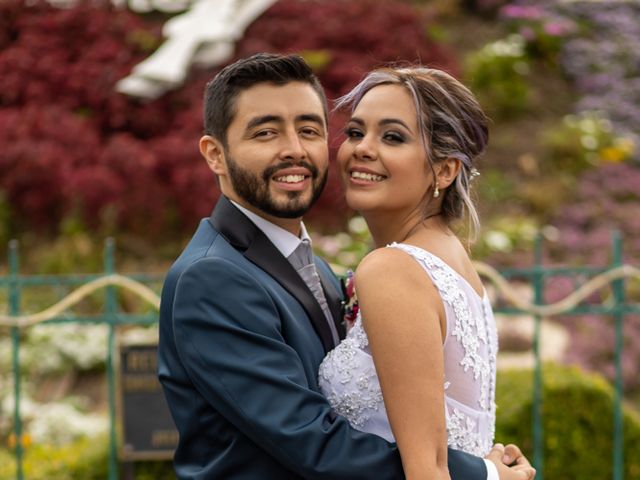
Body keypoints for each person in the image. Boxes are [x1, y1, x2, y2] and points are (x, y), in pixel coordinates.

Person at [158, 52, 535, 479]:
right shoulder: (212, 278)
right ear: (215, 155)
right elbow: (312, 442)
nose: (294, 150)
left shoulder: (324, 269)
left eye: (309, 130)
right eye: (265, 132)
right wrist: (484, 474)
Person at [318, 66, 528, 480]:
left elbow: (427, 471)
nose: (362, 148)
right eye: (357, 132)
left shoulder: (394, 269)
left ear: (445, 170)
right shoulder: (453, 261)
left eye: (393, 137)